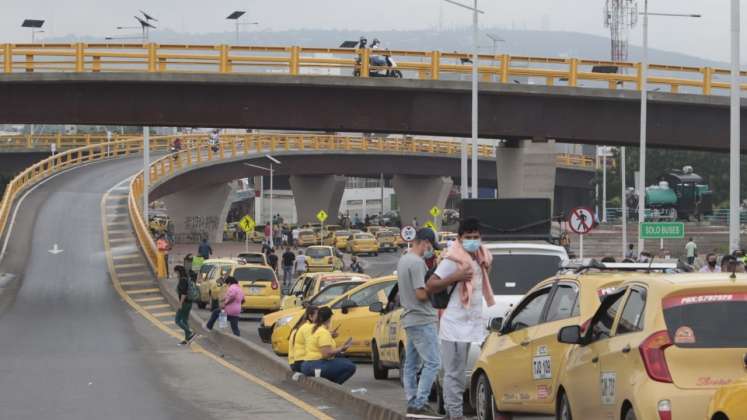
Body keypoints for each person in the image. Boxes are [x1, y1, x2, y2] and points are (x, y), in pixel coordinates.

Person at [427, 218, 495, 420]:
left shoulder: (482, 258)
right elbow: (431, 285)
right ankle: (455, 414)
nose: (473, 241)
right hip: (454, 324)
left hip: (471, 324)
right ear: (460, 238)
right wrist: (456, 276)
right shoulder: (453, 259)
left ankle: (452, 413)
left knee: (460, 371)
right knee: (453, 373)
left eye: (476, 237)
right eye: (468, 238)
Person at [396, 228, 445, 418]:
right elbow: (421, 294)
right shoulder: (417, 263)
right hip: (422, 318)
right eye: (430, 245)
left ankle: (411, 400)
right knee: (433, 362)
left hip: (409, 318)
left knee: (411, 363)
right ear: (424, 242)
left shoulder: (403, 260)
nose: (430, 249)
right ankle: (421, 402)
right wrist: (439, 285)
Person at [300, 307, 356, 384]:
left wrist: (340, 349)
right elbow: (326, 354)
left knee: (343, 361)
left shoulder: (316, 329)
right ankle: (334, 386)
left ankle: (330, 384)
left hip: (308, 364)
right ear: (329, 319)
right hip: (315, 364)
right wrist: (341, 348)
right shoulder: (323, 332)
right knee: (350, 366)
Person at [288, 306, 318, 373]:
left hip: (294, 362)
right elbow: (315, 346)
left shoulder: (300, 326)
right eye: (317, 316)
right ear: (310, 316)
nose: (320, 318)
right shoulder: (308, 327)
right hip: (300, 363)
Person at [174, 265, 198, 345]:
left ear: (178, 272)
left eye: (176, 272)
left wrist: (180, 303)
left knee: (177, 320)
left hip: (184, 303)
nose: (176, 274)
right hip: (189, 302)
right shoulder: (187, 278)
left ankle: (190, 333)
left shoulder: (183, 280)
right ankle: (187, 339)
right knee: (184, 320)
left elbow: (183, 293)